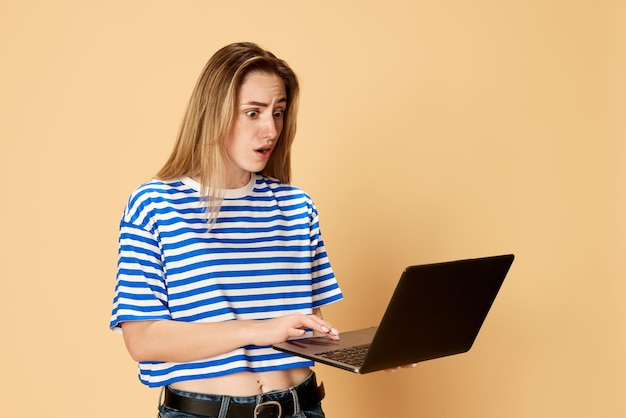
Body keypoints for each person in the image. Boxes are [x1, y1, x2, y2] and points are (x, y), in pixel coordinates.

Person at [110, 42, 344, 418]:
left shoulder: (297, 206)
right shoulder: (154, 204)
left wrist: (371, 351)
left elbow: (305, 331)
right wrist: (256, 329)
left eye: (278, 112)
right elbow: (144, 339)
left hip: (302, 408)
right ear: (212, 115)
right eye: (253, 113)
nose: (271, 129)